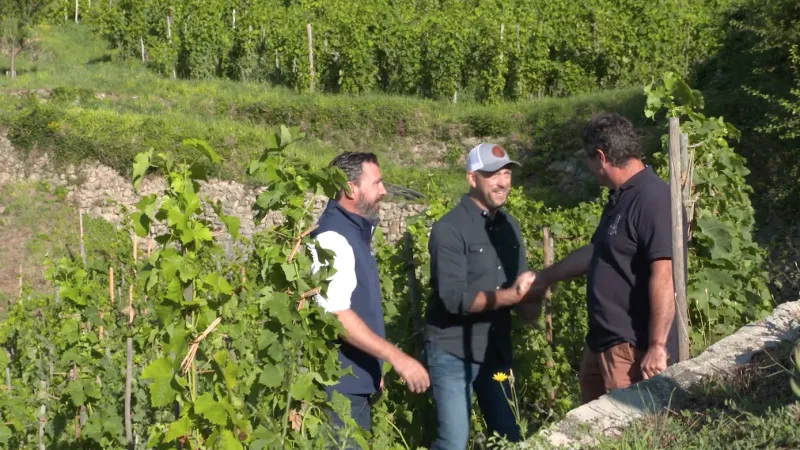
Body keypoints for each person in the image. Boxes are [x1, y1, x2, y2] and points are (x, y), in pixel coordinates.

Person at [532, 112, 681, 404]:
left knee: (627, 432)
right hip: (602, 343)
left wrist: (657, 345)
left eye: (588, 161)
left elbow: (665, 274)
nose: (589, 168)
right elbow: (597, 253)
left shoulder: (652, 198)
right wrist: (546, 276)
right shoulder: (620, 197)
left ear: (600, 156)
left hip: (631, 350)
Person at [424, 143, 542, 450]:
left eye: (506, 173)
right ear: (471, 178)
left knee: (510, 437)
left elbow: (523, 304)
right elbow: (454, 299)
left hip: (495, 350)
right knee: (453, 441)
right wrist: (513, 296)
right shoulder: (449, 229)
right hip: (452, 351)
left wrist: (534, 296)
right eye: (492, 174)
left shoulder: (510, 227)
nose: (503, 182)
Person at [309, 152, 430, 440]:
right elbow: (337, 315)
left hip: (354, 385)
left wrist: (373, 368)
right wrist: (397, 358)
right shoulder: (332, 239)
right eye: (376, 183)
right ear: (351, 188)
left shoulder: (354, 234)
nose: (384, 191)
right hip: (338, 392)